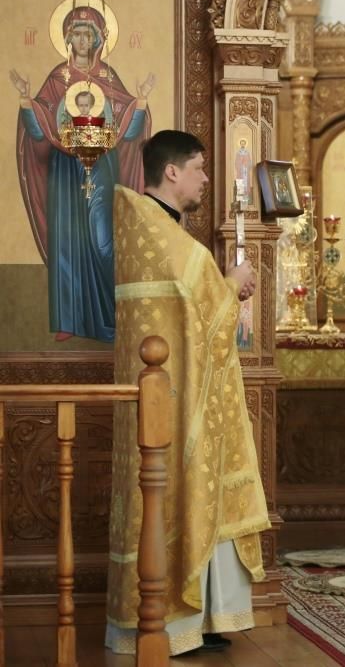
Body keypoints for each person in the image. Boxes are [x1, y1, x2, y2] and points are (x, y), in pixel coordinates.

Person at [106, 130, 270, 655]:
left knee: (198, 490)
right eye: (198, 168)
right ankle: (171, 624)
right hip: (169, 401)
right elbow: (205, 310)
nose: (205, 178)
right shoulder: (160, 234)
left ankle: (202, 618)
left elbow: (193, 311)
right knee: (174, 492)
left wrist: (224, 286)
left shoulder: (153, 230)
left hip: (184, 393)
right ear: (172, 171)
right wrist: (232, 282)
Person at [10, 4, 154, 343]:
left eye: (88, 34)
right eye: (76, 34)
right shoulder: (56, 79)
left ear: (99, 39)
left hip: (102, 169)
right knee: (67, 242)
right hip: (64, 173)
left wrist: (141, 101)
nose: (82, 40)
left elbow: (129, 132)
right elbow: (39, 132)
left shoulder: (109, 79)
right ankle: (69, 319)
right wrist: (26, 100)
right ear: (67, 39)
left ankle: (112, 314)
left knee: (103, 241)